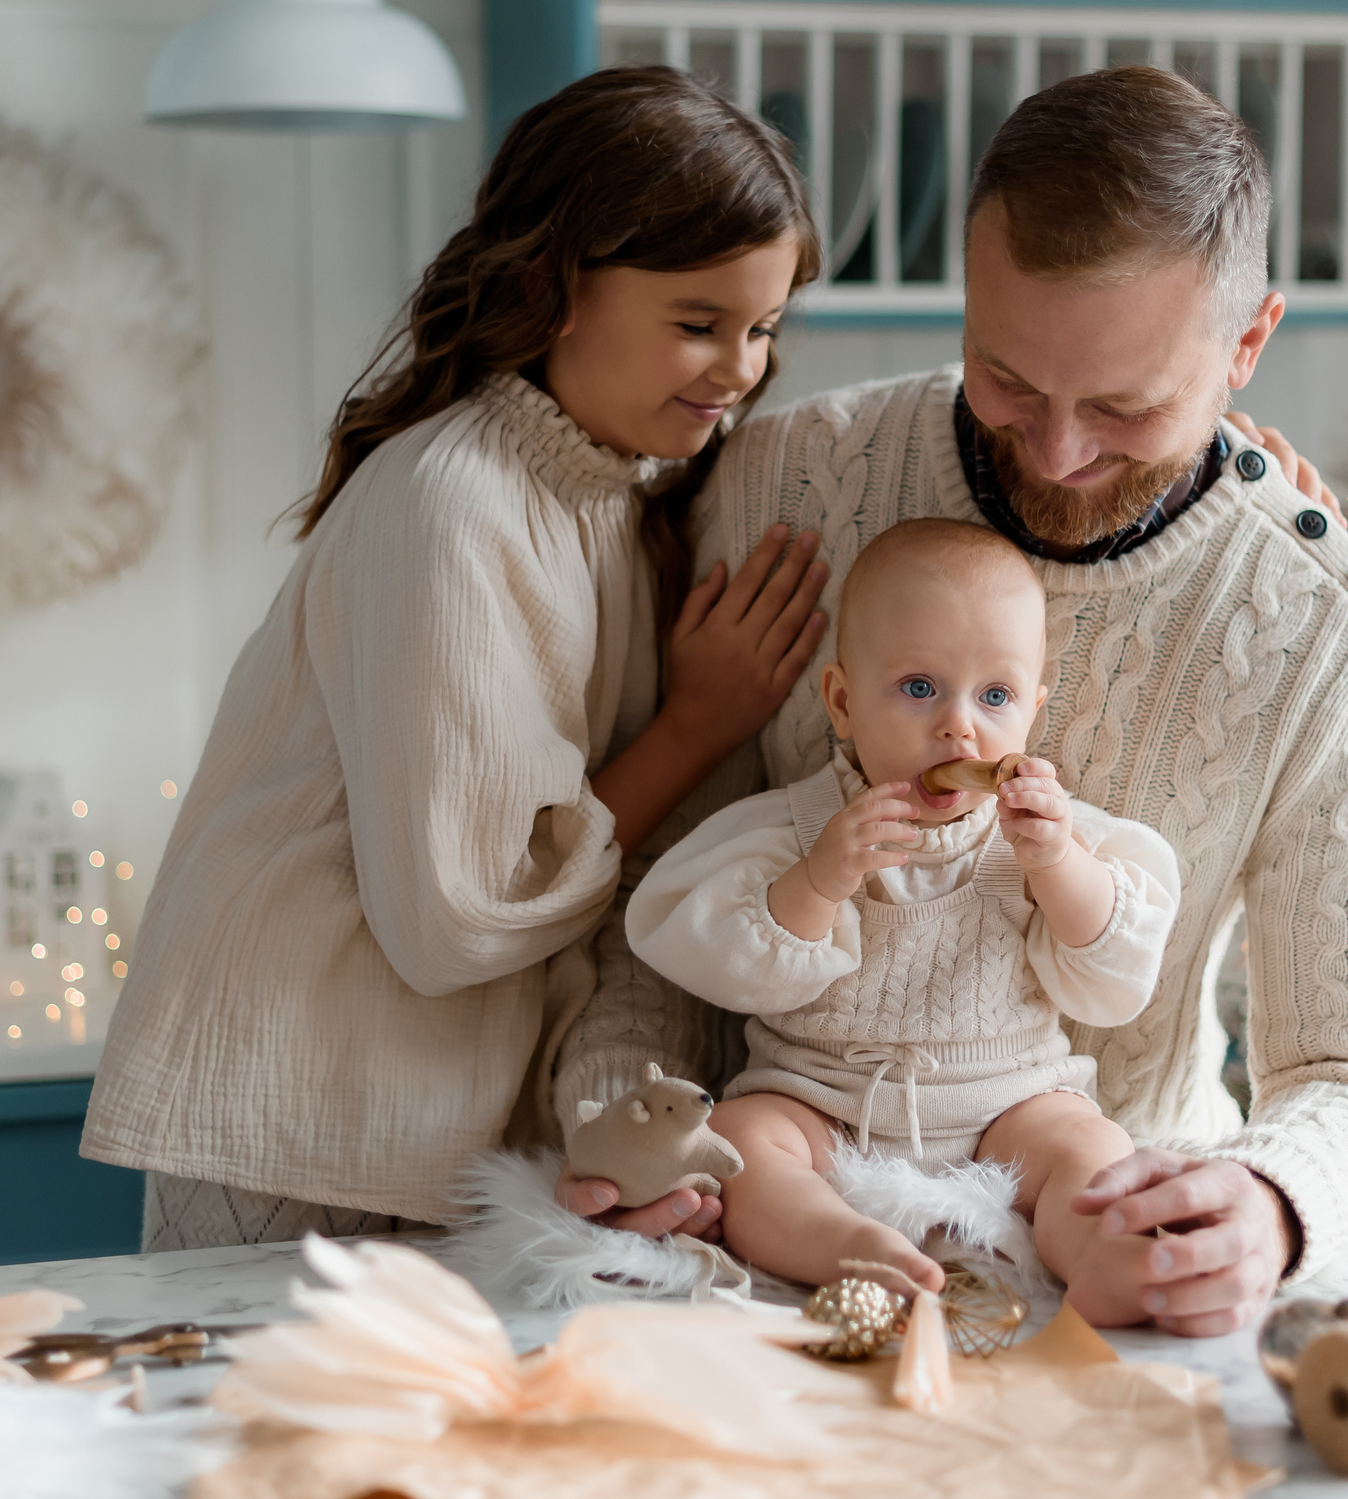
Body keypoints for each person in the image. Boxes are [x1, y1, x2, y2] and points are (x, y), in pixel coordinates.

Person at [556, 65, 1348, 1336]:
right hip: (749, 1253)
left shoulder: (1325, 631)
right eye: (1007, 377)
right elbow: (652, 896)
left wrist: (1263, 1201)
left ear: (1247, 343)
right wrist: (628, 1119)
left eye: (1126, 404)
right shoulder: (782, 483)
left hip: (1109, 1240)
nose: (1054, 451)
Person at [81, 67, 831, 1247]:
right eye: (698, 324)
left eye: (765, 327)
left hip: (423, 1120)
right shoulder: (453, 504)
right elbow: (453, 922)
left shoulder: (618, 492)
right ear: (555, 287)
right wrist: (694, 726)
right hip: (302, 1113)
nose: (739, 369)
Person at [624, 518, 1182, 1320]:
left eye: (995, 696)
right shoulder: (797, 827)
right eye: (920, 688)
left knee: (1091, 1146)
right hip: (823, 1100)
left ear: (1032, 710)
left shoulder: (1046, 835)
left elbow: (1114, 978)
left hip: (1009, 1105)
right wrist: (821, 879)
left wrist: (1058, 866)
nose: (959, 727)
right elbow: (703, 948)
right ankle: (848, 1245)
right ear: (844, 702)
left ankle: (1102, 1255)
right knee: (741, 1141)